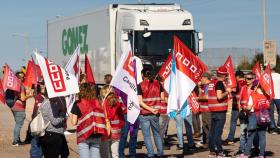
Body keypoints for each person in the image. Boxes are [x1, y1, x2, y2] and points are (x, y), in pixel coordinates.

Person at [70, 83, 107, 158]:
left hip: (84, 135)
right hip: (96, 133)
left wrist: (71, 115)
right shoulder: (98, 102)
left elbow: (74, 122)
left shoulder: (78, 103)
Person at [138, 68, 164, 158]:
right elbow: (162, 98)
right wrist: (154, 108)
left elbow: (140, 102)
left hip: (144, 114)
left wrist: (150, 109)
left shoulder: (140, 85)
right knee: (157, 134)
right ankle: (160, 154)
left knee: (147, 136)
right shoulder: (158, 83)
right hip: (155, 113)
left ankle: (151, 155)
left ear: (142, 75)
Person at [242, 80, 271, 158]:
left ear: (256, 87)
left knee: (250, 136)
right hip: (264, 117)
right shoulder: (267, 96)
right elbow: (268, 106)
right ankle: (261, 154)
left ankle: (246, 154)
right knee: (262, 136)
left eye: (253, 87)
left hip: (253, 117)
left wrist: (244, 108)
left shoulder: (253, 95)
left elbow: (249, 107)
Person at [208, 66, 231, 157]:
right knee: (218, 133)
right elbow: (219, 96)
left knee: (212, 132)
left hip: (213, 110)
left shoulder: (211, 83)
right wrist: (227, 92)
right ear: (224, 75)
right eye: (226, 75)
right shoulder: (219, 83)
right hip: (220, 111)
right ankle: (220, 152)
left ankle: (212, 151)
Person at [99, 85, 124, 158]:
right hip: (117, 130)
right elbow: (121, 117)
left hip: (107, 130)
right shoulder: (117, 102)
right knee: (115, 153)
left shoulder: (104, 103)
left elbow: (105, 118)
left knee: (105, 154)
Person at [234, 72, 256, 156]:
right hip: (243, 113)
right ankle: (242, 149)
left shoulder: (256, 89)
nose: (247, 80)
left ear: (254, 79)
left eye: (249, 78)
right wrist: (241, 109)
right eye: (246, 78)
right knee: (243, 132)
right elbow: (239, 100)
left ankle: (251, 149)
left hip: (252, 114)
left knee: (251, 133)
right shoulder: (243, 88)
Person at [225, 70, 246, 145]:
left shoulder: (236, 83)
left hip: (236, 106)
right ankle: (244, 138)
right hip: (245, 106)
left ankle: (230, 138)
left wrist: (229, 90)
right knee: (243, 123)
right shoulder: (247, 83)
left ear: (237, 76)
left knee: (233, 122)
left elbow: (233, 91)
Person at [11, 71, 32, 146]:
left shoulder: (14, 85)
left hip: (13, 107)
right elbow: (23, 98)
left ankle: (17, 140)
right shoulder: (21, 85)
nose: (24, 78)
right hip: (19, 108)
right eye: (22, 77)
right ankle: (15, 141)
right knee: (18, 125)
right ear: (19, 78)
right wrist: (30, 96)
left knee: (17, 124)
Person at [29, 81, 46, 158]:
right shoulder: (39, 96)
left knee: (40, 149)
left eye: (44, 84)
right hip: (37, 125)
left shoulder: (47, 97)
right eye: (41, 84)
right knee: (36, 149)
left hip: (44, 127)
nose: (42, 85)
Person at [197, 72, 212, 146]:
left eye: (202, 78)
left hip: (208, 111)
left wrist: (198, 98)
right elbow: (201, 94)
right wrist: (199, 87)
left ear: (206, 78)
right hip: (204, 110)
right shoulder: (204, 86)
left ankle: (210, 143)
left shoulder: (208, 86)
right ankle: (206, 142)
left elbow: (206, 97)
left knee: (209, 127)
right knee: (204, 127)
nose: (201, 79)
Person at [269, 68, 280, 134]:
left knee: (271, 112)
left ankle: (272, 127)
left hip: (270, 96)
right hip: (279, 96)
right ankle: (279, 126)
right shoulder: (279, 76)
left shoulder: (267, 76)